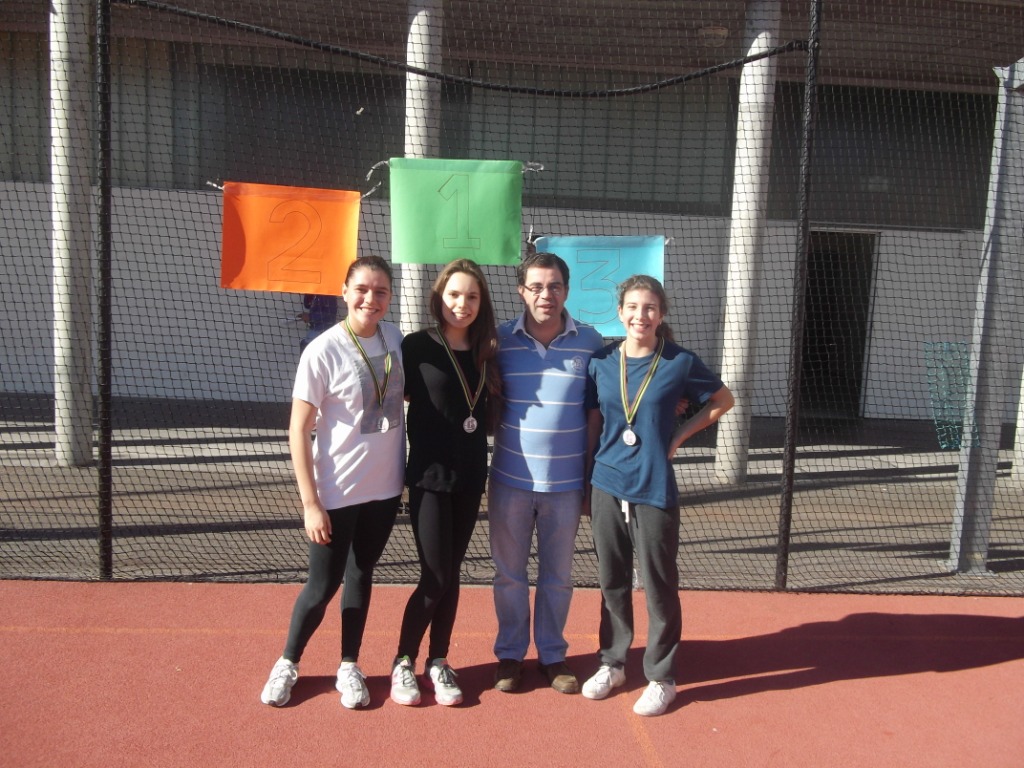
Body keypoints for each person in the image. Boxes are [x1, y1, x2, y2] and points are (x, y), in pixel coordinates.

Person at [581, 274, 734, 717]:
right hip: (607, 482)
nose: (640, 315)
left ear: (661, 313)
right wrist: (587, 478)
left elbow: (723, 400)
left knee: (659, 582)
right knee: (611, 579)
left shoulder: (679, 362)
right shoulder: (601, 362)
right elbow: (594, 422)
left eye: (649, 307)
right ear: (620, 313)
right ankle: (612, 663)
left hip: (653, 485)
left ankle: (661, 677)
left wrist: (679, 435)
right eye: (632, 307)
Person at [260, 255, 405, 708]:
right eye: (361, 289)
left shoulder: (396, 339)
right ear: (344, 292)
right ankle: (288, 661)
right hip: (336, 492)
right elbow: (298, 429)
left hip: (385, 489)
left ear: (389, 298)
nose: (370, 299)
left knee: (361, 574)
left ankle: (349, 664)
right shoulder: (322, 350)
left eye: (380, 291)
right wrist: (311, 503)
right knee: (322, 586)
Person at [488, 251, 605, 695]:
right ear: (522, 291)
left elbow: (600, 410)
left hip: (567, 486)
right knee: (509, 576)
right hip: (509, 482)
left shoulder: (590, 342)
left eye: (554, 286)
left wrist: (590, 479)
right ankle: (510, 654)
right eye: (536, 286)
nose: (546, 295)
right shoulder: (499, 341)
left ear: (567, 291)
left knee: (558, 577)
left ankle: (553, 655)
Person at [389, 258, 502, 707]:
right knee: (434, 576)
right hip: (429, 477)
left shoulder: (489, 349)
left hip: (471, 476)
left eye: (472, 296)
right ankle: (403, 660)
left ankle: (438, 661)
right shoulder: (416, 345)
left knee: (452, 575)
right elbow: (387, 393)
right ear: (439, 297)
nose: (462, 304)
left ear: (482, 302)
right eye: (454, 294)